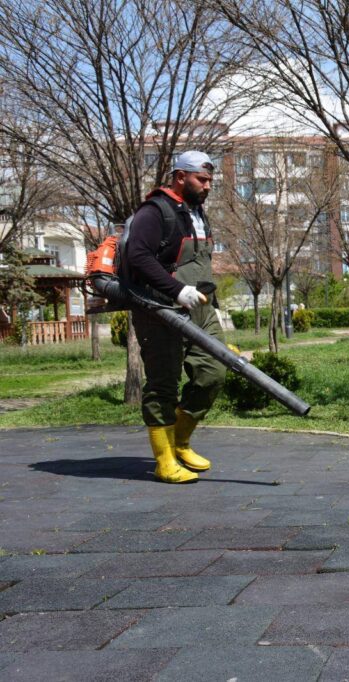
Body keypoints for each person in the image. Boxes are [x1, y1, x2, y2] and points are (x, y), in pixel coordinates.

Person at [126, 151, 226, 484]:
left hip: (201, 310)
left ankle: (180, 442)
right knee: (163, 385)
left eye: (210, 180)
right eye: (202, 179)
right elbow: (138, 256)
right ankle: (164, 460)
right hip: (162, 311)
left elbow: (200, 263)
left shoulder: (197, 213)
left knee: (214, 371)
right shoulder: (155, 211)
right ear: (180, 177)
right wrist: (176, 290)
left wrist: (211, 303)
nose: (208, 186)